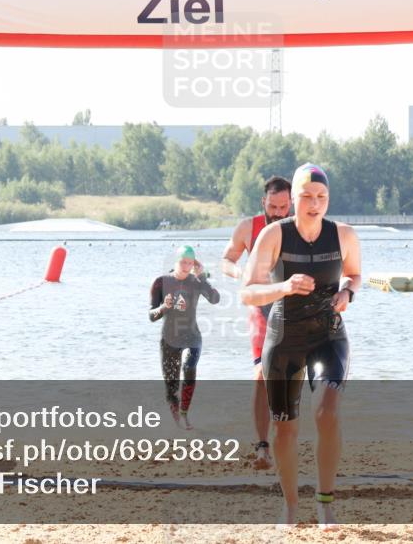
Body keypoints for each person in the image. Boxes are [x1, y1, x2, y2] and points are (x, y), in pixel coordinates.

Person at [241, 163, 361, 529]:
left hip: (328, 335)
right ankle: (290, 506)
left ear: (329, 199)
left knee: (326, 411)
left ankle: (325, 504)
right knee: (285, 429)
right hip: (284, 338)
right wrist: (284, 287)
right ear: (293, 199)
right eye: (307, 196)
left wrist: (347, 293)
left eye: (321, 197)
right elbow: (248, 292)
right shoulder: (274, 235)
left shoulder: (343, 234)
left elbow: (355, 275)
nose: (315, 203)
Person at [221, 175, 292, 470]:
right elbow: (227, 259)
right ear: (263, 202)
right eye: (273, 206)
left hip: (293, 307)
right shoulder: (248, 227)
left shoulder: (300, 226)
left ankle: (286, 437)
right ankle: (263, 446)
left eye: (283, 207)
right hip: (261, 308)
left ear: (291, 204)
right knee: (261, 376)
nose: (278, 212)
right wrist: (241, 273)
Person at [149, 245, 220, 430]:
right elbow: (151, 316)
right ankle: (176, 422)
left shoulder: (196, 281)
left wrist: (202, 277)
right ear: (176, 261)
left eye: (190, 263)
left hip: (192, 336)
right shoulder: (161, 282)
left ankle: (184, 414)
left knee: (189, 367)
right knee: (171, 387)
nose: (186, 266)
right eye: (183, 262)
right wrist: (163, 307)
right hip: (169, 338)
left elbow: (215, 299)